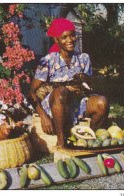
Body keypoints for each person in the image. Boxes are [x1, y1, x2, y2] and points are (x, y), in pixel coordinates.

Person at [28, 18, 109, 147]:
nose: (70, 40)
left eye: (72, 35)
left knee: (102, 102)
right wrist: (43, 116)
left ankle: (88, 139)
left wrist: (86, 80)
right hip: (55, 106)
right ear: (56, 40)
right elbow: (31, 92)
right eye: (64, 37)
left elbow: (91, 89)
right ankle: (61, 142)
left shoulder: (83, 58)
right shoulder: (48, 61)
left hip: (77, 104)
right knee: (61, 91)